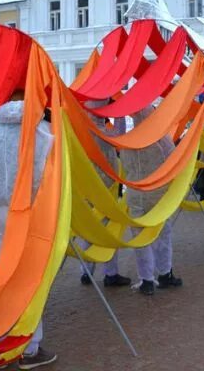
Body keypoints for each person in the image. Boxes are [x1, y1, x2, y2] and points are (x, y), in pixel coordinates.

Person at [0, 95, 57, 369]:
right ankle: (29, 347)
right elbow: (49, 178)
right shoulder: (44, 134)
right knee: (30, 281)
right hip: (32, 214)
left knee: (1, 278)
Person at [121, 105, 183, 295]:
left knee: (140, 238)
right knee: (162, 234)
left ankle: (147, 280)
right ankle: (165, 273)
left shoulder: (127, 140)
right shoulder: (162, 140)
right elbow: (174, 162)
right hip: (158, 194)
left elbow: (124, 164)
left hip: (135, 194)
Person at [78, 100, 132, 287]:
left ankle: (86, 271)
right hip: (106, 189)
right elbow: (120, 134)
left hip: (89, 187)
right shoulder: (102, 132)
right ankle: (111, 273)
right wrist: (119, 111)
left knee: (90, 229)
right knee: (109, 230)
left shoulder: (82, 131)